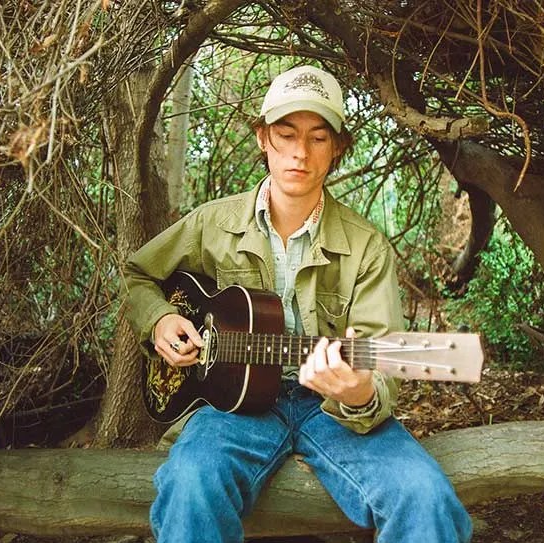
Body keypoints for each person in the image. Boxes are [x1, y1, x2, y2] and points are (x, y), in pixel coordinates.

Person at [124, 64, 473, 543]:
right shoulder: (212, 223)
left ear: (338, 149)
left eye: (317, 139)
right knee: (189, 483)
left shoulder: (367, 247)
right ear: (263, 138)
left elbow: (384, 360)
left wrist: (360, 394)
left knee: (425, 496)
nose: (299, 154)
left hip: (332, 412)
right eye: (286, 135)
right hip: (233, 408)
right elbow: (137, 274)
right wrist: (161, 318)